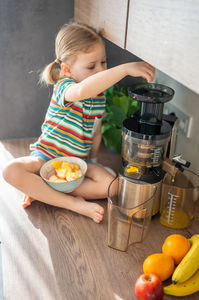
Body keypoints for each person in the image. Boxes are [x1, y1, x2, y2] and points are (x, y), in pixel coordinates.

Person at [3, 22, 155, 223]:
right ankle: (72, 203)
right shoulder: (65, 87)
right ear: (66, 69)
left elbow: (96, 132)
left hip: (77, 164)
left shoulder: (99, 98)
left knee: (113, 186)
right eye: (92, 66)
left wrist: (92, 162)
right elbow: (82, 91)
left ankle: (43, 189)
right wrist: (124, 69)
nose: (101, 70)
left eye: (103, 62)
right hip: (47, 158)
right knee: (10, 171)